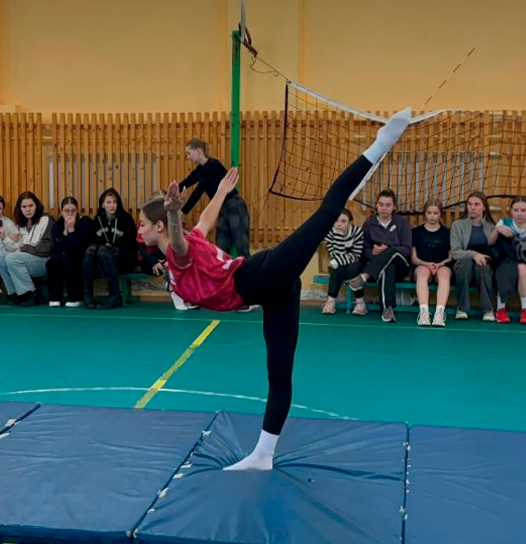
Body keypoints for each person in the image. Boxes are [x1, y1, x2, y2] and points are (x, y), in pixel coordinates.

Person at [138, 108, 411, 471]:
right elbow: (205, 219)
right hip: (272, 292)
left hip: (259, 276)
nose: (138, 230)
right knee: (279, 375)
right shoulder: (190, 239)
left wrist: (173, 213)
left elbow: (179, 236)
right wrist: (219, 192)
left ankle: (381, 144)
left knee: (328, 211)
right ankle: (263, 455)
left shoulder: (177, 250)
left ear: (157, 225)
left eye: (142, 224)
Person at [346, 190, 411, 323]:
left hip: (401, 265)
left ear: (394, 207)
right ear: (376, 206)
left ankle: (364, 276)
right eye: (381, 204)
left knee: (391, 253)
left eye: (388, 205)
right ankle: (388, 309)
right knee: (388, 267)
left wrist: (388, 250)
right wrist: (372, 252)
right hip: (379, 267)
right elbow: (363, 250)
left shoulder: (402, 223)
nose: (384, 208)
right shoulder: (369, 224)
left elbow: (407, 249)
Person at [180, 139, 250, 257]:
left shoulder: (213, 165)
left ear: (198, 151)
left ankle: (251, 273)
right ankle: (223, 274)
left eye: (189, 153)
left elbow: (198, 191)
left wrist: (183, 211)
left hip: (234, 205)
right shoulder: (200, 170)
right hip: (223, 208)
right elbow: (187, 182)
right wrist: (170, 192)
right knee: (221, 247)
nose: (188, 157)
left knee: (241, 246)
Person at [83, 188, 137, 309]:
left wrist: (112, 248)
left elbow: (131, 243)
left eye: (115, 202)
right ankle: (87, 295)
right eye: (108, 202)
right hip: (102, 260)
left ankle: (115, 295)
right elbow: (91, 241)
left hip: (124, 259)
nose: (112, 205)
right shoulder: (97, 220)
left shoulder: (125, 219)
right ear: (103, 205)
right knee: (91, 250)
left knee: (104, 251)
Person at [0, 191, 53, 306]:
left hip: (43, 261)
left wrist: (25, 249)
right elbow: (17, 248)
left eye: (30, 206)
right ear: (20, 208)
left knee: (12, 258)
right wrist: (5, 238)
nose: (27, 209)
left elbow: (48, 247)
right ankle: (14, 294)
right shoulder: (20, 225)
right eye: (24, 207)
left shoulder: (46, 220)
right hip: (24, 259)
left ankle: (31, 293)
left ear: (37, 206)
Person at [449, 192, 496, 320]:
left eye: (476, 204)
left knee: (483, 267)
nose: (472, 207)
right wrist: (473, 254)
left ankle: (488, 310)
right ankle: (462, 308)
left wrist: (483, 258)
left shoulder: (492, 228)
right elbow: (455, 252)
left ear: (484, 207)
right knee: (465, 263)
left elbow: (496, 252)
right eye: (469, 204)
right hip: (463, 262)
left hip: (484, 263)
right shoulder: (457, 225)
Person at [493, 197, 526, 324]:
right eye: (516, 210)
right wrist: (497, 230)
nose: (519, 213)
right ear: (511, 211)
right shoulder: (503, 223)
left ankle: (525, 310)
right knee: (505, 267)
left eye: (523, 210)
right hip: (505, 260)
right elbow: (490, 243)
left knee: (522, 269)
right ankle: (500, 309)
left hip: (525, 261)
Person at [411, 200, 452, 327]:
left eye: (435, 213)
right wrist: (427, 264)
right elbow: (414, 258)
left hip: (442, 266)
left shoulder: (447, 233)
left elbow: (451, 257)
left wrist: (440, 264)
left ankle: (439, 314)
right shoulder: (416, 232)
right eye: (429, 213)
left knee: (444, 274)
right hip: (422, 266)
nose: (432, 216)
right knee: (423, 272)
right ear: (425, 214)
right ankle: (424, 312)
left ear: (441, 214)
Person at [47, 197, 92, 308]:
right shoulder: (57, 225)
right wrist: (65, 233)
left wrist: (71, 230)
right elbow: (57, 248)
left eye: (73, 211)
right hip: (63, 255)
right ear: (61, 212)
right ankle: (55, 297)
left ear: (77, 211)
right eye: (66, 211)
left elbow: (79, 248)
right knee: (54, 260)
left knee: (70, 260)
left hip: (82, 256)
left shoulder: (84, 222)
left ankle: (76, 297)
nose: (70, 214)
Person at [321, 208, 364, 315]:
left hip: (355, 264)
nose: (339, 224)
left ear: (350, 223)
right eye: (336, 220)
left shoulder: (357, 232)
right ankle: (331, 302)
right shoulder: (330, 233)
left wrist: (338, 261)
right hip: (339, 265)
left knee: (351, 268)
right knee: (337, 268)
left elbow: (356, 256)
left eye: (343, 221)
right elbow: (335, 254)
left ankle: (360, 303)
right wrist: (338, 235)